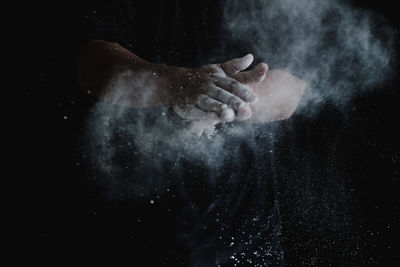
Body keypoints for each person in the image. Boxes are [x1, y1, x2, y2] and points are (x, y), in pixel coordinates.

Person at [75, 0, 306, 265]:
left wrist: (227, 97)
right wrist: (177, 85)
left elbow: (292, 89)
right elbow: (92, 64)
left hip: (245, 232)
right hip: (138, 228)